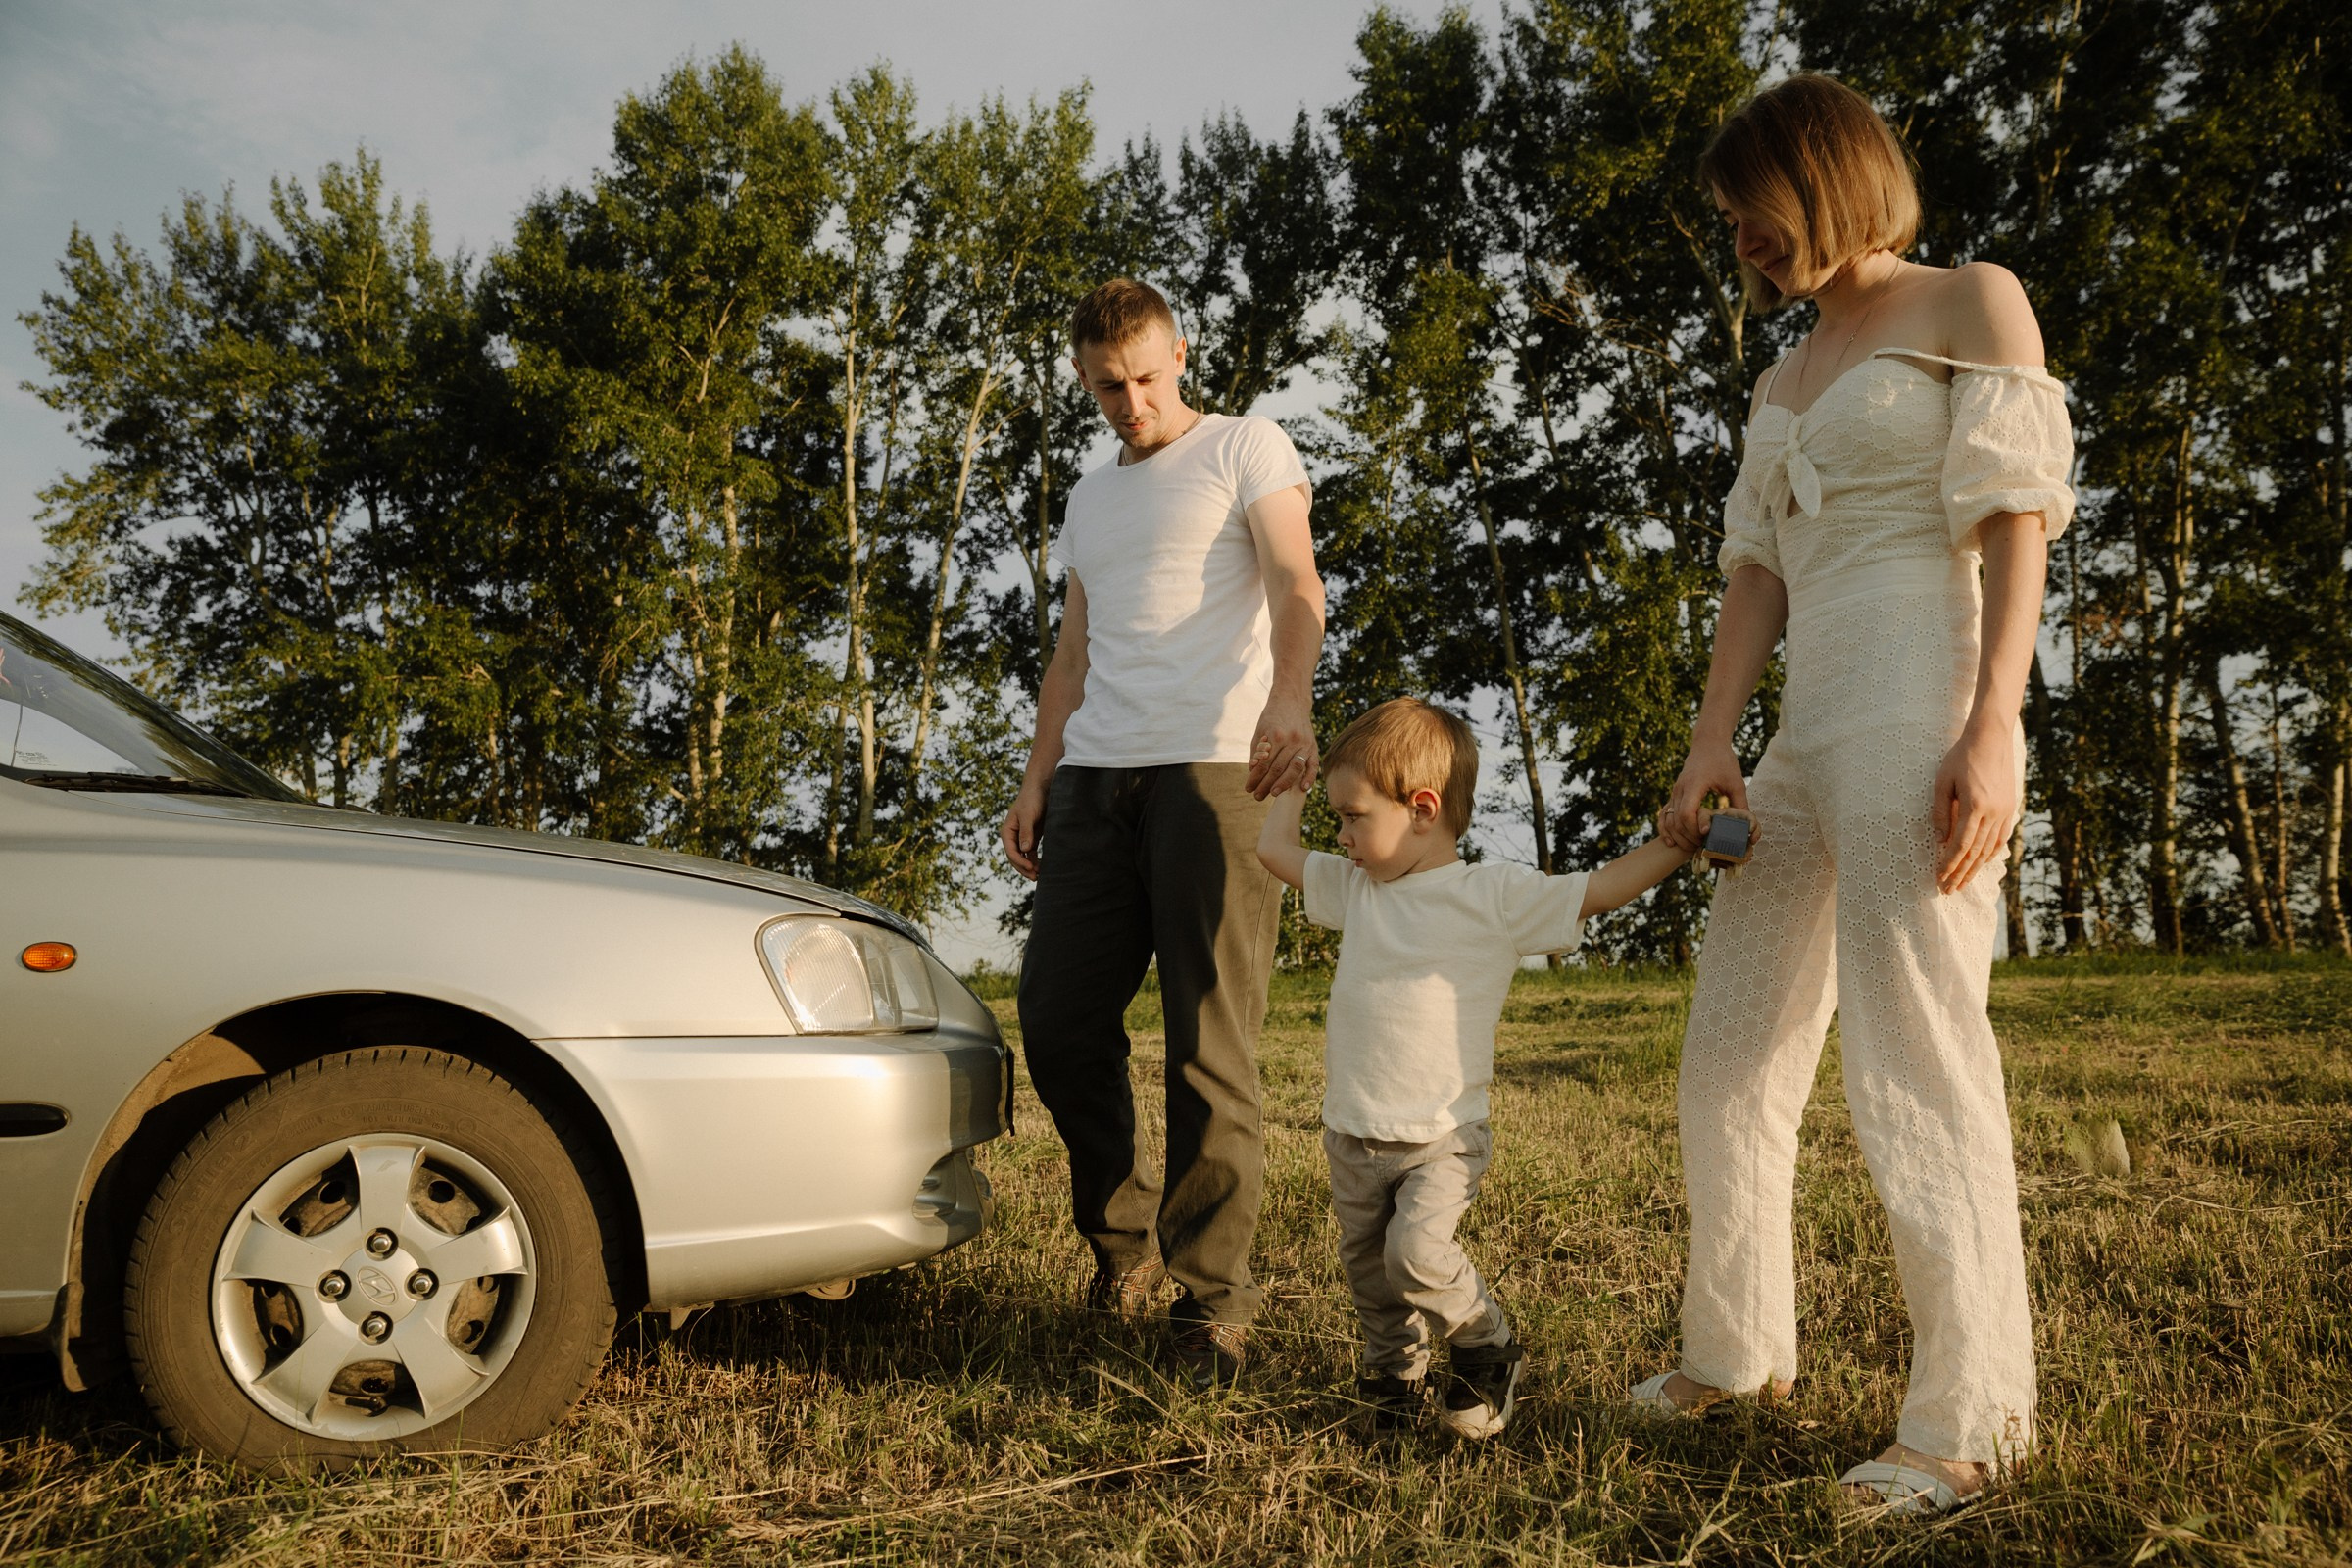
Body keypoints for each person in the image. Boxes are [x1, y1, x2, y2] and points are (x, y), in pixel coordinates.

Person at [1641, 75, 2075, 1516]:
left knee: (1916, 1061)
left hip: (1920, 706)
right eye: (1730, 227)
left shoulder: (1971, 300)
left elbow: (2014, 518)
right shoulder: (1784, 374)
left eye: (1749, 212)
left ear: (1823, 174)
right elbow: (1754, 573)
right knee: (1730, 1060)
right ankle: (1735, 1349)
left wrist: (1992, 726)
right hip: (1808, 735)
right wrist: (1715, 746)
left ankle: (1969, 1421)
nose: (1742, 244)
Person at [1002, 277, 1324, 1390]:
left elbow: (1296, 584)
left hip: (1214, 771)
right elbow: (1072, 656)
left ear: (1179, 354)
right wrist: (1039, 778)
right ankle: (1123, 1243)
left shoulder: (1247, 446)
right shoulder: (1092, 500)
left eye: (1145, 377)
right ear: (1084, 382)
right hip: (1095, 778)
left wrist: (1291, 700)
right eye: (1107, 387)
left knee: (1207, 1044)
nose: (1130, 402)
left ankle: (1212, 1301)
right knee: (1054, 1016)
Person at [1256, 698, 1697, 1439]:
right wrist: (1294, 783)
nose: (1342, 837)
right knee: (1372, 1278)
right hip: (1352, 1134)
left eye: (1353, 816)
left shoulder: (1492, 896)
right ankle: (1393, 1378)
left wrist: (1677, 845)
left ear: (1422, 808)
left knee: (1417, 1254)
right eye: (1336, 819)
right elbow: (1275, 854)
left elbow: (1598, 890)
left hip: (1442, 1136)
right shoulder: (1358, 888)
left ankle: (1486, 1343)